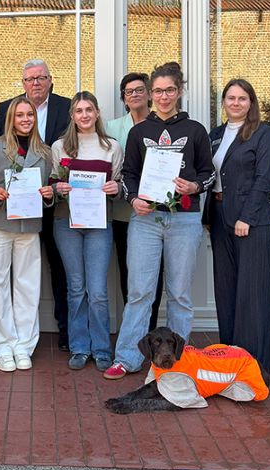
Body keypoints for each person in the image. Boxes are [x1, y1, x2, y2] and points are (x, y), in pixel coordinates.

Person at [109, 62, 215, 380]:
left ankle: (178, 362)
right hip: (146, 219)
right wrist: (133, 199)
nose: (164, 96)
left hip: (184, 219)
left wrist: (194, 186)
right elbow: (127, 175)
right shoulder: (139, 132)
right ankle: (128, 357)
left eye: (169, 90)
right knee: (140, 292)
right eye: (158, 91)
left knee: (180, 293)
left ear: (179, 91)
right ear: (150, 94)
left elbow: (209, 174)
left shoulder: (195, 130)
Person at [0, 59, 71, 351]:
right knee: (11, 273)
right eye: (30, 79)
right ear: (23, 83)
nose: (36, 83)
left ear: (51, 80)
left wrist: (52, 189)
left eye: (41, 77)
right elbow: (2, 153)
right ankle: (9, 334)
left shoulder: (66, 108)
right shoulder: (7, 108)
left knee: (60, 267)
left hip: (53, 202)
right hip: (17, 208)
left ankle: (64, 329)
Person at [202, 79, 270, 378]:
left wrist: (247, 217)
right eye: (230, 98)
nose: (236, 103)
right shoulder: (216, 135)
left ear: (251, 102)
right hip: (220, 218)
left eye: (242, 98)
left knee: (252, 295)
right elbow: (207, 174)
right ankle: (229, 362)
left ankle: (255, 369)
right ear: (223, 102)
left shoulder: (262, 133)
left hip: (252, 222)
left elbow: (264, 178)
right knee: (226, 292)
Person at [0, 96, 53, 371]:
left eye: (29, 115)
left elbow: (49, 189)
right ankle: (1, 345)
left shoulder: (44, 152)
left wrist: (49, 194)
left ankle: (24, 345)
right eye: (20, 115)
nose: (25, 120)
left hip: (29, 226)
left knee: (28, 286)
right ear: (11, 119)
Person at [50, 91, 124, 372]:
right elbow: (52, 185)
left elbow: (119, 186)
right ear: (72, 115)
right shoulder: (60, 147)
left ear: (96, 113)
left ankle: (102, 348)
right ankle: (80, 347)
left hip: (99, 224)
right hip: (66, 224)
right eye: (79, 110)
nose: (84, 115)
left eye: (89, 109)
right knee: (76, 288)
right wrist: (59, 188)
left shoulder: (111, 147)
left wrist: (115, 189)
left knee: (98, 292)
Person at [104, 72, 164, 337]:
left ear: (149, 94)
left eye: (140, 90)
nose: (135, 95)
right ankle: (133, 332)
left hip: (157, 213)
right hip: (123, 213)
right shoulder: (112, 128)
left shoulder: (164, 125)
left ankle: (149, 331)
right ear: (123, 98)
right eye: (129, 92)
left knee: (155, 276)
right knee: (129, 274)